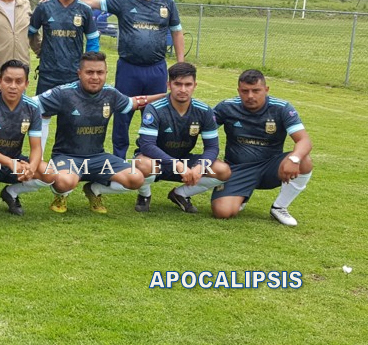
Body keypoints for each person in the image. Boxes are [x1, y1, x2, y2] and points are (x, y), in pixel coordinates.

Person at [59, 0, 185, 159]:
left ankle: (148, 156)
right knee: (122, 114)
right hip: (129, 69)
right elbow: (92, 1)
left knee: (156, 114)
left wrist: (180, 63)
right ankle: (119, 158)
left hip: (157, 69)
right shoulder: (124, 1)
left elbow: (177, 32)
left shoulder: (167, 3)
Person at [35, 52, 159, 214]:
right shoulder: (64, 93)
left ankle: (94, 189)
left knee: (136, 179)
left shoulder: (111, 94)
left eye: (100, 72)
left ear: (106, 73)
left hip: (98, 157)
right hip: (67, 157)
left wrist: (169, 96)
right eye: (89, 72)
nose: (95, 77)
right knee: (65, 182)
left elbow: (134, 103)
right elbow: (32, 104)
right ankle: (61, 195)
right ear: (79, 73)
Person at [211, 69, 313, 226]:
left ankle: (280, 207)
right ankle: (241, 195)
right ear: (238, 91)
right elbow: (204, 129)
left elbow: (304, 140)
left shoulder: (281, 108)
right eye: (245, 91)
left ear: (266, 89)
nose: (250, 96)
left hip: (270, 168)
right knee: (222, 212)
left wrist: (294, 159)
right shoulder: (226, 107)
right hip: (237, 169)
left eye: (256, 90)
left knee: (304, 160)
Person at [132, 62, 231, 213]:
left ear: (195, 85)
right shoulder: (154, 108)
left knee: (223, 170)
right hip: (155, 160)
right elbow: (147, 145)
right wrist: (177, 165)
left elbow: (212, 147)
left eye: (188, 84)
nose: (183, 89)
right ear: (169, 85)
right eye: (178, 84)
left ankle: (180, 194)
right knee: (142, 164)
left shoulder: (204, 111)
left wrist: (200, 166)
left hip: (184, 159)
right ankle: (144, 196)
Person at [0, 60, 56, 216]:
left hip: (15, 160)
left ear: (26, 84)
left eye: (19, 81)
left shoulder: (32, 107)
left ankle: (11, 193)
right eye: (8, 80)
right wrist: (10, 163)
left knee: (49, 172)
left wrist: (32, 167)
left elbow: (36, 147)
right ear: (0, 81)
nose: (13, 86)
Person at [28, 0, 100, 143]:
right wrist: (40, 50)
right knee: (43, 115)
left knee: (71, 117)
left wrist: (88, 66)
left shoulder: (84, 10)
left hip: (73, 74)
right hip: (48, 72)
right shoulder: (44, 8)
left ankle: (66, 156)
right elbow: (30, 32)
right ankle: (38, 157)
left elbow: (92, 40)